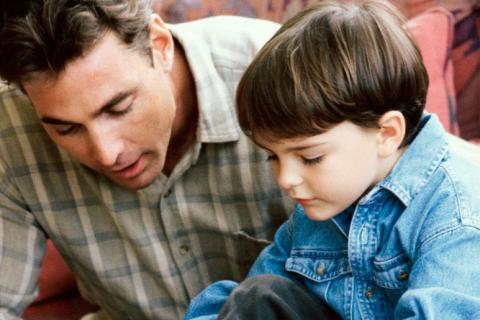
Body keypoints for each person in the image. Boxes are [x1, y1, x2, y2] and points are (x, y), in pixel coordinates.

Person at [0, 1, 297, 319]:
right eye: (66, 128)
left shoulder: (287, 78)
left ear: (160, 44)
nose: (106, 153)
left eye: (119, 108)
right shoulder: (10, 128)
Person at [184, 0, 480, 319]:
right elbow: (244, 303)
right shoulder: (318, 212)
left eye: (310, 157)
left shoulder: (456, 212)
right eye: (273, 156)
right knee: (258, 297)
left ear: (387, 133)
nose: (286, 179)